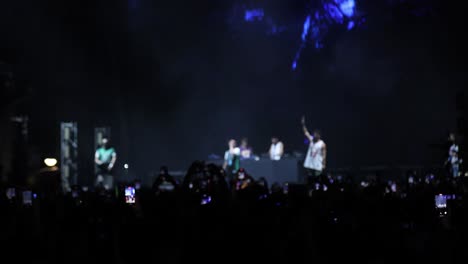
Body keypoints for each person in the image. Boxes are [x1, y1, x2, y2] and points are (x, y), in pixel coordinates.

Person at [301, 116, 327, 181]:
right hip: (309, 163)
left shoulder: (322, 144)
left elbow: (324, 155)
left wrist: (324, 164)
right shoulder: (311, 140)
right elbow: (306, 132)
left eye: (316, 134)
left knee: (317, 179)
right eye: (314, 134)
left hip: (317, 164)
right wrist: (303, 124)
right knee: (309, 179)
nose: (314, 135)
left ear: (319, 136)